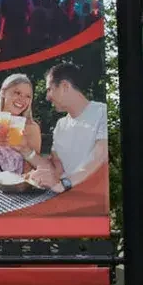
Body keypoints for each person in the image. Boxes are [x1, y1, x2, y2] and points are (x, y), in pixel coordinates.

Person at [29, 60, 107, 194]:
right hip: (65, 196)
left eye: (49, 89)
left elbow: (100, 157)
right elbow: (58, 167)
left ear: (65, 86)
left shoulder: (102, 112)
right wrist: (44, 172)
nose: (47, 97)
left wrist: (65, 183)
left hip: (93, 199)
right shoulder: (60, 125)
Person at [0, 73, 43, 179]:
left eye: (28, 96)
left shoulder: (31, 128)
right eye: (17, 92)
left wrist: (24, 148)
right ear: (4, 93)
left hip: (15, 191)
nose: (22, 99)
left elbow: (32, 171)